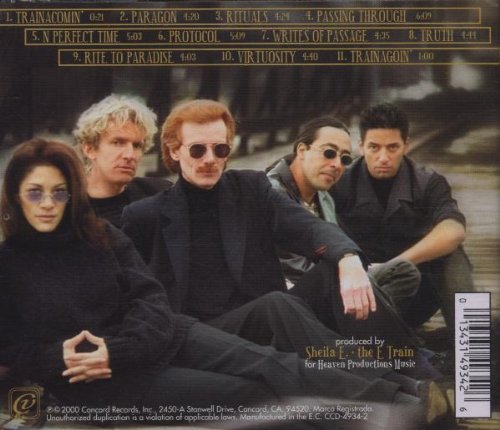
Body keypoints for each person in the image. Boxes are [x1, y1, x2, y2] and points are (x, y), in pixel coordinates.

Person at [0, 138, 445, 429]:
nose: (47, 203)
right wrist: (58, 358)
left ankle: (403, 402)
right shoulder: (10, 263)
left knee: (271, 362)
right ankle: (375, 417)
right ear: (16, 196)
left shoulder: (102, 237)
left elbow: (148, 298)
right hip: (105, 380)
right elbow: (10, 350)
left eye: (59, 191)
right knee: (251, 394)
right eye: (35, 192)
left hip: (163, 336)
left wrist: (122, 345)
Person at [121, 100, 432, 365]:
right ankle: (392, 380)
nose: (210, 159)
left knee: (332, 273)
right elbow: (131, 294)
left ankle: (414, 366)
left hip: (271, 317)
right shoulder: (145, 215)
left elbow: (307, 226)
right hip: (208, 335)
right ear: (174, 151)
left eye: (220, 148)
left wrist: (347, 259)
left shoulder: (250, 188)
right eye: (198, 150)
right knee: (276, 304)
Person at [330, 103, 473, 330]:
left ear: (406, 145)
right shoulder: (340, 182)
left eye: (392, 147)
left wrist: (397, 265)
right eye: (374, 147)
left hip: (412, 294)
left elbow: (454, 230)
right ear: (361, 146)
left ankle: (471, 344)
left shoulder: (427, 182)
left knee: (452, 254)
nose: (383, 157)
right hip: (358, 296)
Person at [267, 116, 420, 320]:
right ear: (302, 150)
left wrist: (357, 269)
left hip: (326, 284)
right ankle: (372, 328)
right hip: (291, 294)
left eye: (345, 159)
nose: (337, 164)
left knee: (403, 271)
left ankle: (362, 325)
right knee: (368, 287)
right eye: (329, 153)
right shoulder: (270, 192)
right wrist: (349, 273)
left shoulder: (324, 197)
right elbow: (292, 267)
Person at [73, 94, 172, 227]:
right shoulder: (66, 206)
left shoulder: (158, 195)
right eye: (117, 143)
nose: (130, 155)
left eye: (137, 145)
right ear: (90, 149)